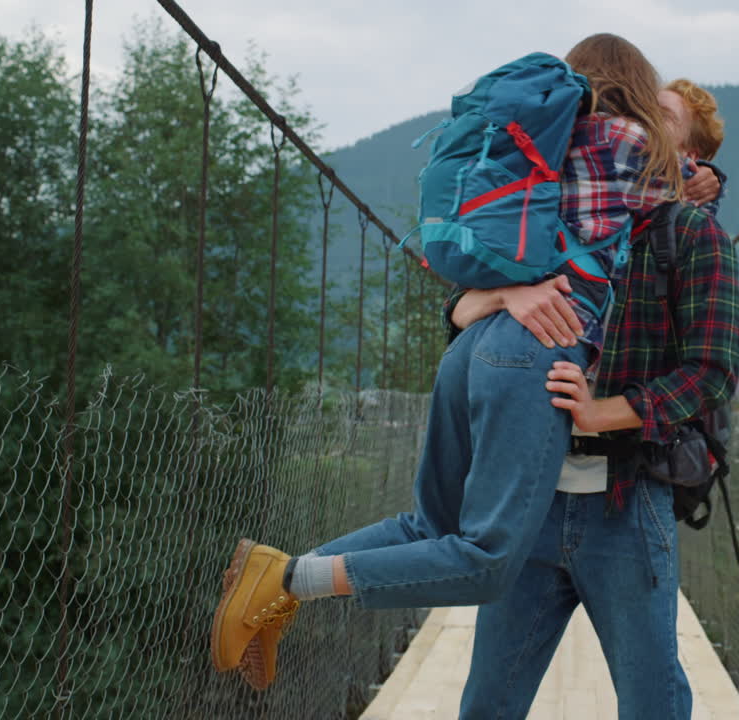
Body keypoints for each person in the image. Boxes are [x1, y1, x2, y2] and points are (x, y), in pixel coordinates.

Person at [210, 33, 687, 692]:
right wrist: (685, 156)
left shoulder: (532, 144)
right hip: (538, 353)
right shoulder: (628, 141)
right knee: (487, 560)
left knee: (430, 526)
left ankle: (275, 584)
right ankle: (288, 579)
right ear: (635, 83)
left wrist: (499, 291)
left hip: (475, 344)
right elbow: (683, 207)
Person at [452, 79, 739, 719]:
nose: (634, 122)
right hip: (524, 504)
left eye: (659, 116)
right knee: (487, 705)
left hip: (627, 505)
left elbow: (713, 372)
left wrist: (601, 412)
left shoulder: (687, 233)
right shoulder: (550, 219)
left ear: (689, 155)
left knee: (653, 705)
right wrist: (502, 296)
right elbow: (459, 313)